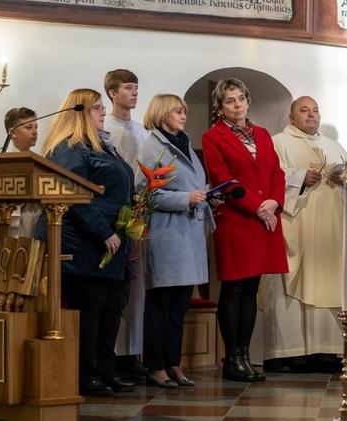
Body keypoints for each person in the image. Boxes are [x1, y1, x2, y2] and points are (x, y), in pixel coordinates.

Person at [35, 88, 136, 396]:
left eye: (102, 107)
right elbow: (73, 197)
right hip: (81, 242)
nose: (103, 112)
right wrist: (104, 231)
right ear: (78, 114)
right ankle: (85, 374)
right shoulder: (69, 148)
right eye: (96, 108)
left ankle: (107, 369)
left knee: (113, 307)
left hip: (112, 242)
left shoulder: (103, 146)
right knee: (90, 310)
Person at [265, 95, 347, 373]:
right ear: (291, 118)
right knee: (292, 288)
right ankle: (289, 354)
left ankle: (327, 351)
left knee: (328, 281)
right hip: (297, 229)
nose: (311, 115)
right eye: (304, 110)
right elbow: (270, 177)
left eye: (315, 110)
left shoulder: (334, 146)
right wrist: (298, 179)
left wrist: (345, 176)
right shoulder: (278, 142)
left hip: (330, 231)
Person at [201, 78, 288, 382]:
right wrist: (258, 207)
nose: (237, 105)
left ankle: (245, 356)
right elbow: (221, 178)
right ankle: (231, 359)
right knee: (234, 287)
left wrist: (275, 202)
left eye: (241, 99)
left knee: (252, 288)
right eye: (230, 101)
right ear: (220, 107)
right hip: (236, 220)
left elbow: (277, 172)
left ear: (248, 100)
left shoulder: (262, 134)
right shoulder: (212, 137)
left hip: (265, 219)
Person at [137, 94, 216, 388]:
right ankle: (154, 366)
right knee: (161, 305)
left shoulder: (184, 143)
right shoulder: (153, 147)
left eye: (184, 110)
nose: (184, 115)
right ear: (161, 114)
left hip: (189, 234)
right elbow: (143, 195)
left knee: (179, 306)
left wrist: (208, 194)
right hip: (166, 234)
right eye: (177, 111)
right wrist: (185, 198)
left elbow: (193, 185)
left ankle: (173, 364)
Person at [103, 69, 151, 377]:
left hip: (140, 216)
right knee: (116, 292)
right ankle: (113, 356)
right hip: (114, 218)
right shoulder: (103, 128)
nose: (134, 93)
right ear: (112, 93)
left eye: (136, 87)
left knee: (138, 290)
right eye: (128, 88)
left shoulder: (143, 131)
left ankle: (133, 354)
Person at [0, 107, 42, 278]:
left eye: (36, 127)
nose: (35, 132)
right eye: (28, 127)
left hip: (36, 230)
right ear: (12, 132)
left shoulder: (42, 162)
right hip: (10, 231)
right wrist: (16, 216)